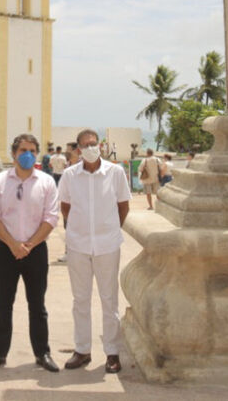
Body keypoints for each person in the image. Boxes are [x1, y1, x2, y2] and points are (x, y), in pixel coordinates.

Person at [0, 133, 60, 373]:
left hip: (36, 251)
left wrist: (29, 245)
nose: (28, 154)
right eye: (23, 150)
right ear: (13, 153)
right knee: (4, 302)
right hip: (6, 250)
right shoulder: (0, 181)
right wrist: (13, 244)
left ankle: (42, 353)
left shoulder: (46, 181)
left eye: (33, 150)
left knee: (37, 304)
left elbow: (51, 217)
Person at [59, 129, 131, 373]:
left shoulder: (115, 172)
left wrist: (108, 228)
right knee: (80, 299)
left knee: (109, 300)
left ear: (99, 145)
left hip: (107, 245)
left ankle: (112, 352)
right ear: (78, 149)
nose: (91, 147)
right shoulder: (70, 175)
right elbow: (66, 207)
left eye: (94, 143)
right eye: (85, 145)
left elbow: (123, 205)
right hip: (78, 245)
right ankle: (82, 350)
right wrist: (80, 230)